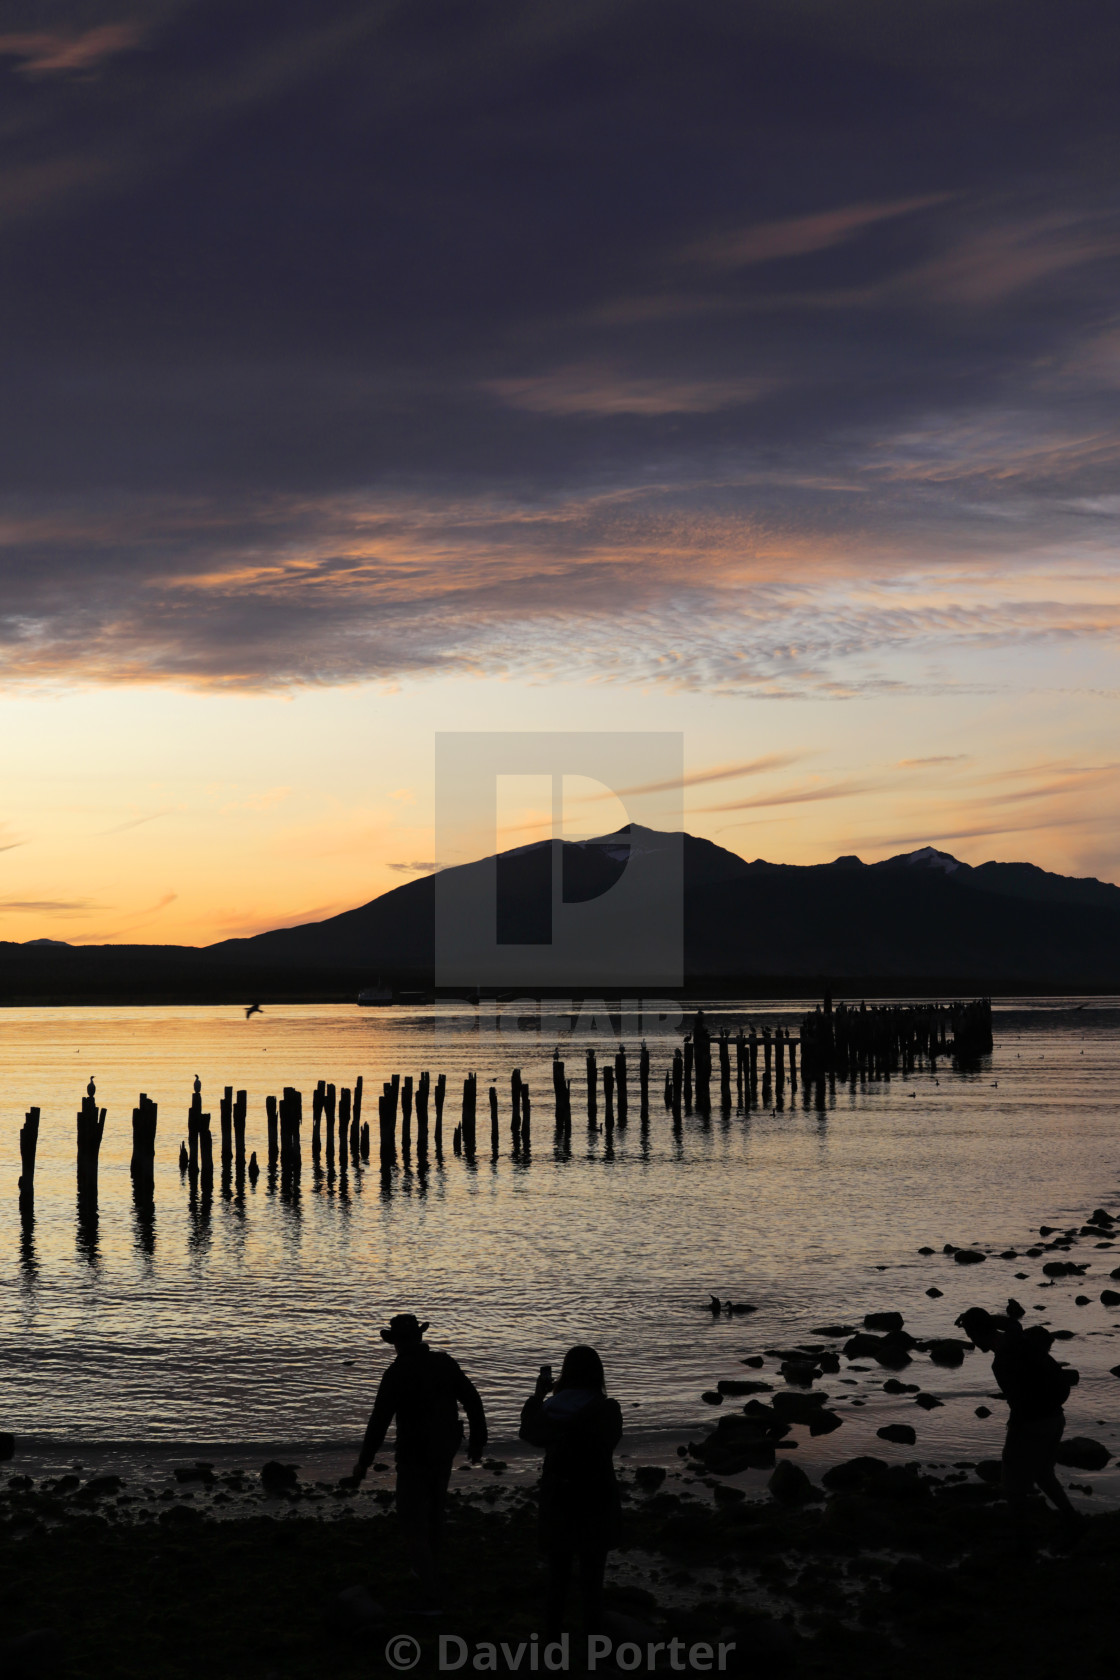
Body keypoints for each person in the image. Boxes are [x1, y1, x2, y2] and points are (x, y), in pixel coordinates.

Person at [348, 1313, 487, 1611]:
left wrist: (364, 1462)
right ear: (420, 1337)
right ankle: (430, 1569)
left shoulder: (397, 1373)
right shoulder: (444, 1363)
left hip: (414, 1451)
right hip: (445, 1446)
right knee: (435, 1509)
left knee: (411, 1519)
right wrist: (477, 1442)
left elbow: (379, 1422)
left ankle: (430, 1588)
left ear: (395, 1343)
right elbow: (473, 1400)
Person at [519, 1345, 623, 1638]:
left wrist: (538, 1396)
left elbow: (528, 1432)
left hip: (559, 1498)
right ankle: (593, 1647)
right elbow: (610, 1443)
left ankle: (552, 1645)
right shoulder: (608, 1410)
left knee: (557, 1579)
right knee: (593, 1581)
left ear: (564, 1373)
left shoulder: (550, 1410)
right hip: (597, 1497)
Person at [957, 1307, 1079, 1526]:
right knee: (1043, 1473)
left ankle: (1021, 1541)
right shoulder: (1016, 1337)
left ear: (977, 1333)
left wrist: (1014, 1433)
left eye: (971, 1336)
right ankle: (1072, 1518)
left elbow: (1019, 1403)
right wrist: (975, 1320)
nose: (973, 1342)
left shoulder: (1002, 1362)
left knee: (1012, 1487)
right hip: (1056, 1417)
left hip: (1032, 1424)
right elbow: (1012, 1323)